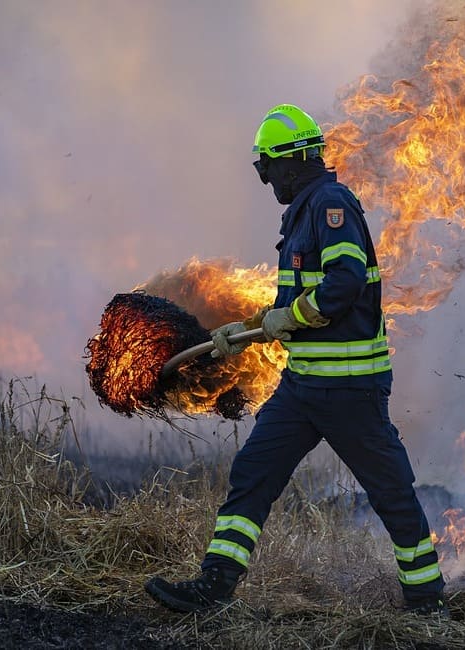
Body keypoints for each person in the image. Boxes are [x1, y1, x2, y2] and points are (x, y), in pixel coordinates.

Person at [144, 104, 448, 616]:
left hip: (350, 390)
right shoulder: (303, 212)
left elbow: (344, 283)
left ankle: (426, 600)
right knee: (253, 473)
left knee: (390, 492)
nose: (268, 181)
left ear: (292, 162)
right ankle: (214, 587)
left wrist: (292, 316)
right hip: (303, 389)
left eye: (268, 169)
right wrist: (248, 327)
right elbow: (295, 303)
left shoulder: (330, 205)